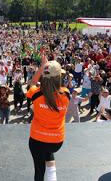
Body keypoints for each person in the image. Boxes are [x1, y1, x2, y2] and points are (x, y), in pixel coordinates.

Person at [26, 53, 70, 181]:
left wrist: (41, 67)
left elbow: (32, 82)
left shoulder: (36, 94)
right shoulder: (65, 94)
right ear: (59, 77)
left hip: (37, 140)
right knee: (48, 152)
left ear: (44, 77)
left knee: (39, 170)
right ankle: (52, 177)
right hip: (56, 142)